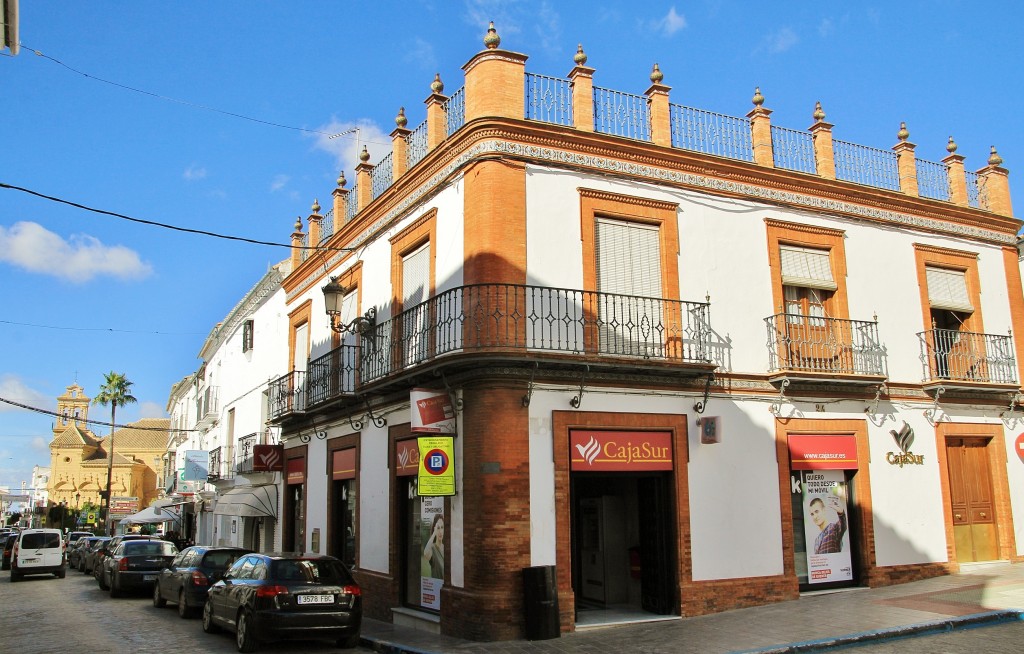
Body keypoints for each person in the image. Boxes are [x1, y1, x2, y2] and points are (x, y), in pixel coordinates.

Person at [421, 514, 444, 580]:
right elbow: (425, 554)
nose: (440, 531)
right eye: (438, 528)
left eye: (442, 527)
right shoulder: (433, 548)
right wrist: (434, 533)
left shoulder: (445, 548)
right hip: (436, 586)